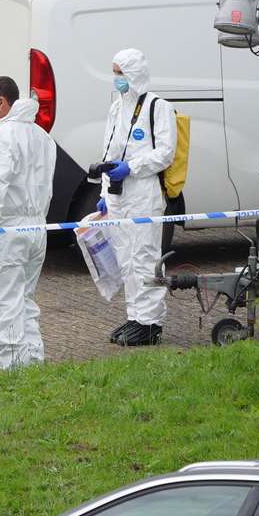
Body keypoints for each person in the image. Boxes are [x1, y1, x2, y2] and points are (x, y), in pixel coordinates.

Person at [0, 77, 54, 369]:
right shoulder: (43, 137)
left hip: (6, 229)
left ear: (1, 101)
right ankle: (33, 360)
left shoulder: (1, 138)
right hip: (36, 228)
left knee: (4, 301)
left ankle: (10, 368)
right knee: (25, 299)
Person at [97, 48, 176, 347]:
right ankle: (135, 317)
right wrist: (104, 191)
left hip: (143, 193)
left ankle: (150, 322)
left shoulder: (158, 108)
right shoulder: (117, 107)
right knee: (125, 259)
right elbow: (109, 151)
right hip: (119, 195)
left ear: (133, 74)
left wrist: (132, 167)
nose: (116, 78)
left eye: (120, 73)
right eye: (114, 72)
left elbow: (165, 153)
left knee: (145, 256)